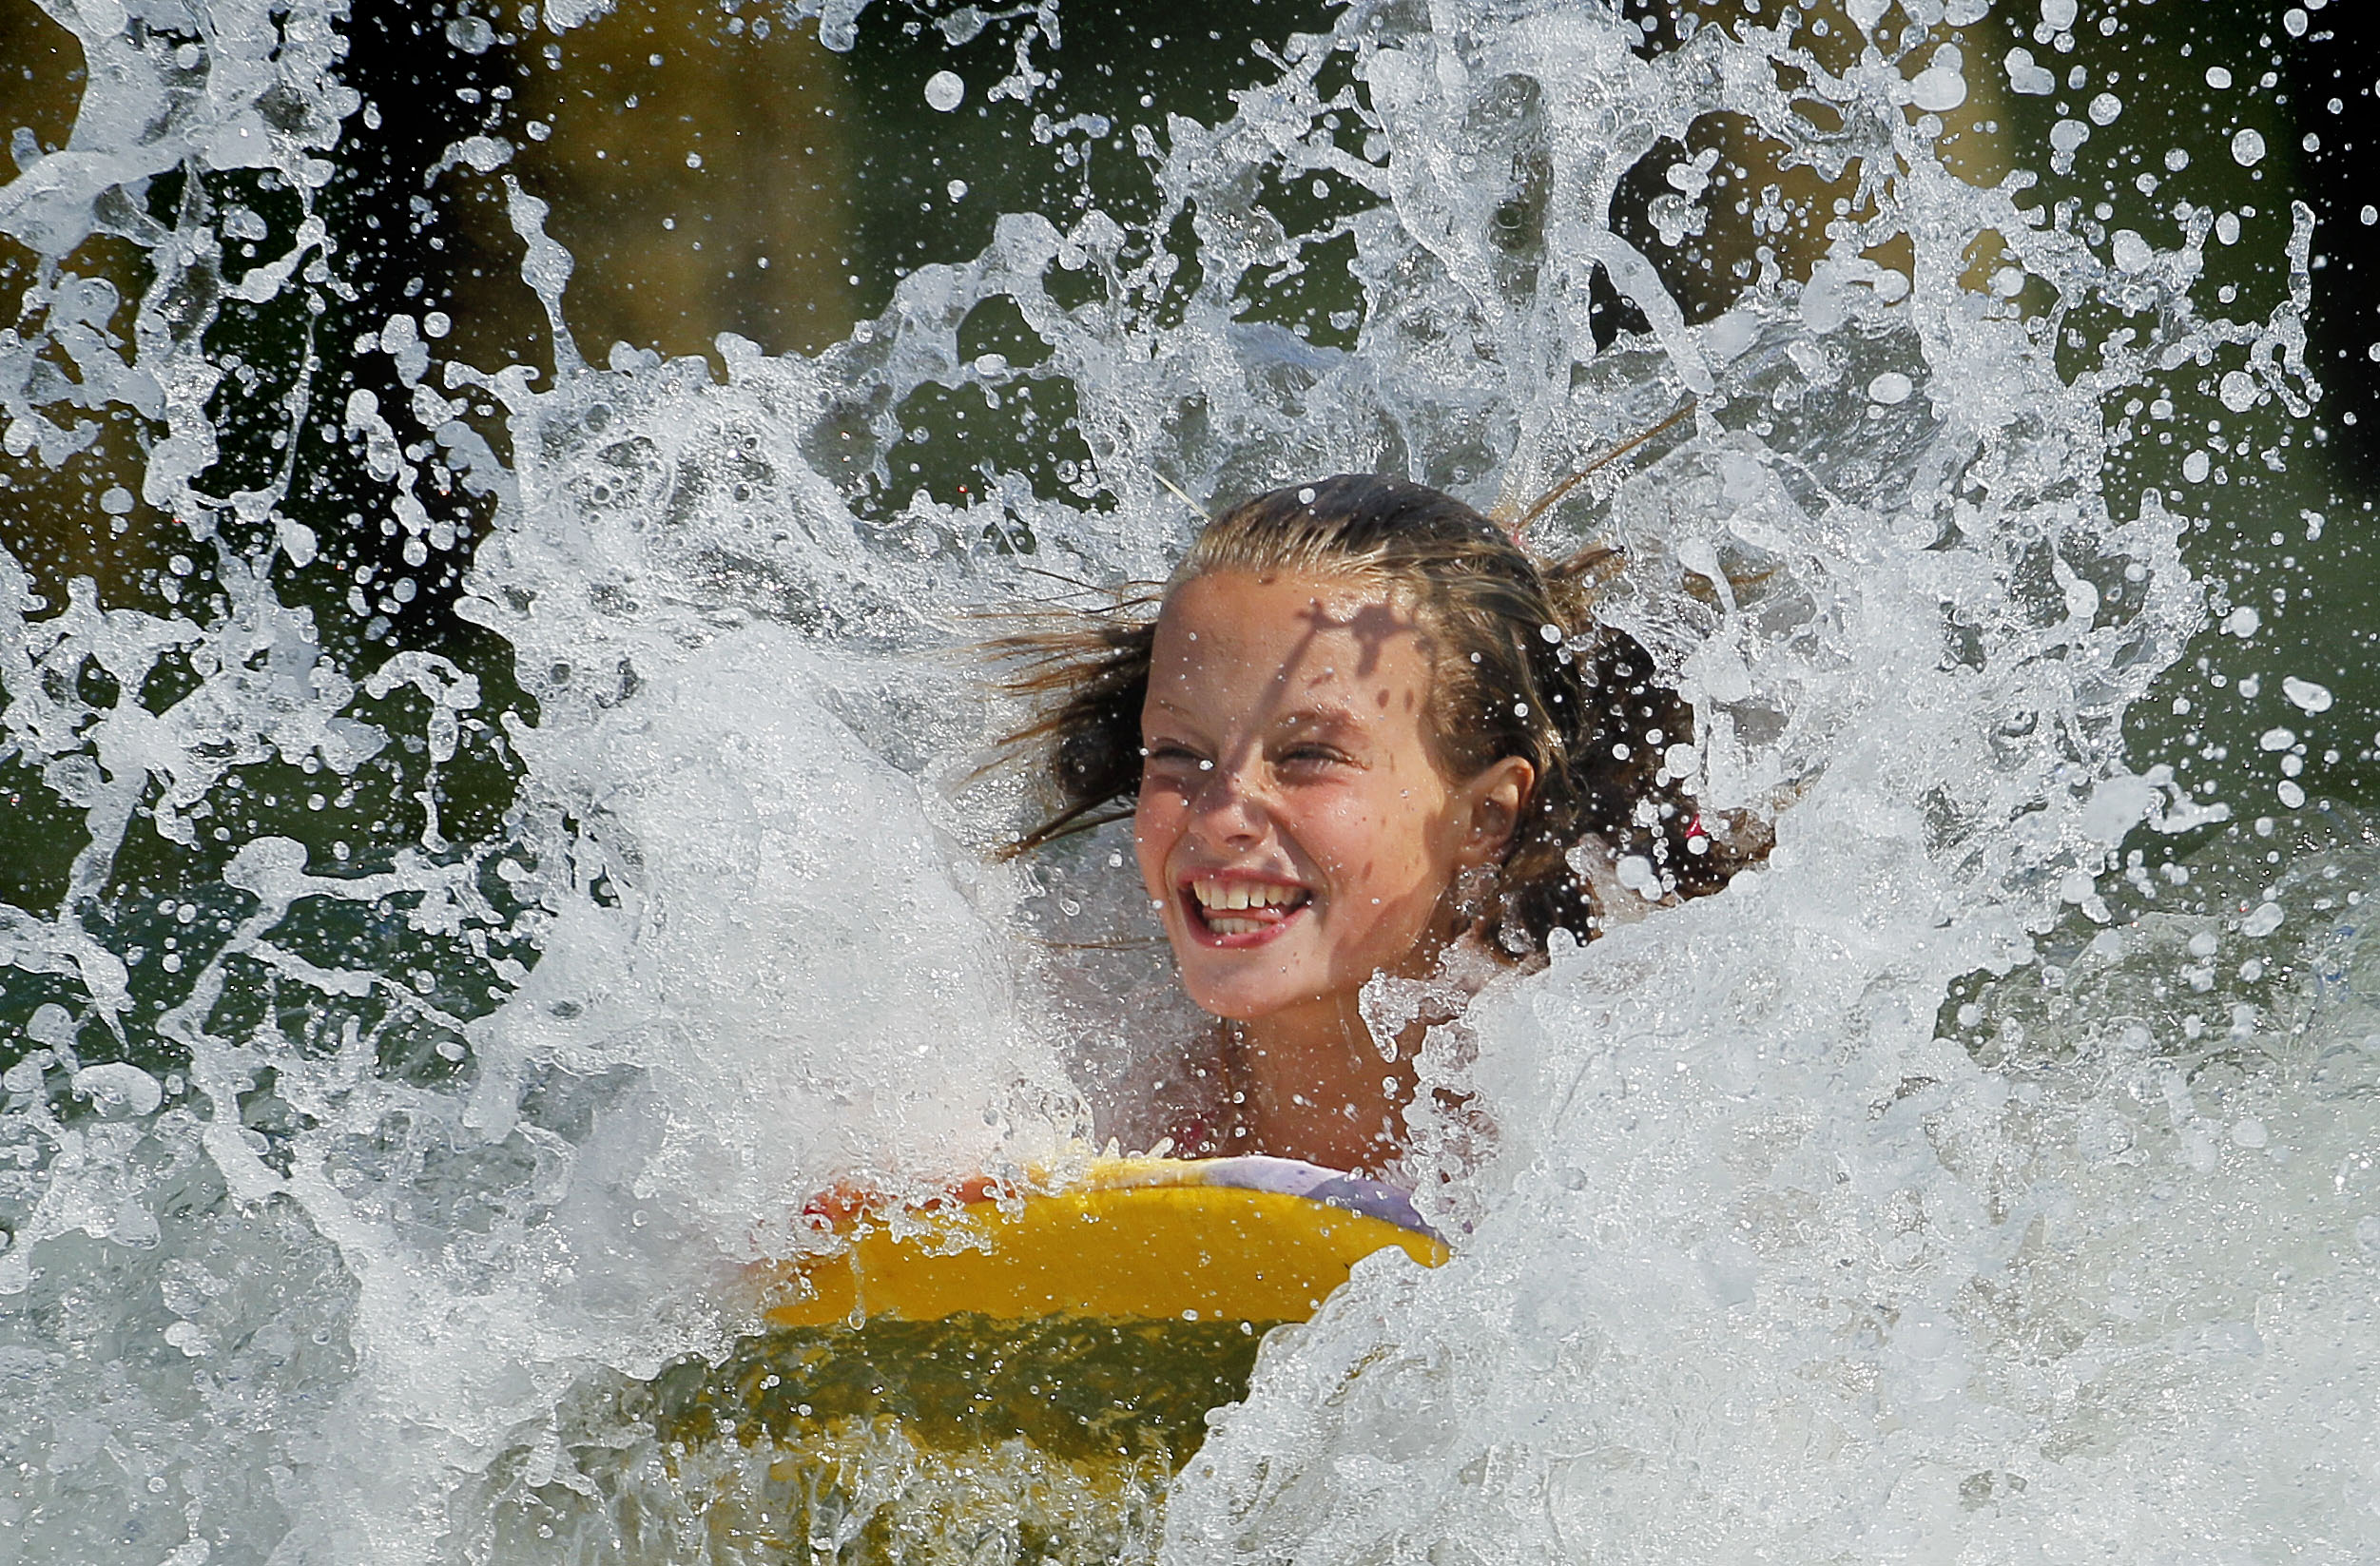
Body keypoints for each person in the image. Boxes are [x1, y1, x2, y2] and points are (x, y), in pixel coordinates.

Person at [995, 474, 1765, 1184]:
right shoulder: (1078, 1100)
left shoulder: (1598, 1137)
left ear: (1485, 813)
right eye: (1176, 753)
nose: (1222, 812)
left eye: (1306, 755)